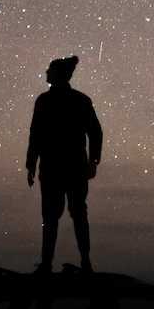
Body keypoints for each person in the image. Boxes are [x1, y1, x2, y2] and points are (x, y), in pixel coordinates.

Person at [25, 54, 102, 273]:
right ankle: (80, 262)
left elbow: (36, 135)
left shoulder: (51, 101)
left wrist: (31, 164)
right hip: (65, 167)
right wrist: (31, 164)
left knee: (57, 216)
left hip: (60, 167)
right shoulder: (76, 100)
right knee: (72, 214)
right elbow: (36, 134)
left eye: (49, 70)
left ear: (58, 74)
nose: (46, 73)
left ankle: (55, 263)